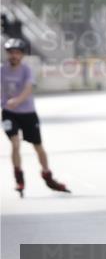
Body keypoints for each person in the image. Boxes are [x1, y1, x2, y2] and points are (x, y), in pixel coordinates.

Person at [2, 38, 70, 196]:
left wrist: (17, 100)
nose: (14, 56)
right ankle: (19, 177)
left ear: (22, 55)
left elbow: (28, 89)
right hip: (8, 113)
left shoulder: (26, 70)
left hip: (27, 113)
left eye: (17, 53)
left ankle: (47, 174)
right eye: (11, 53)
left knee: (38, 146)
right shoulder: (2, 70)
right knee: (15, 143)